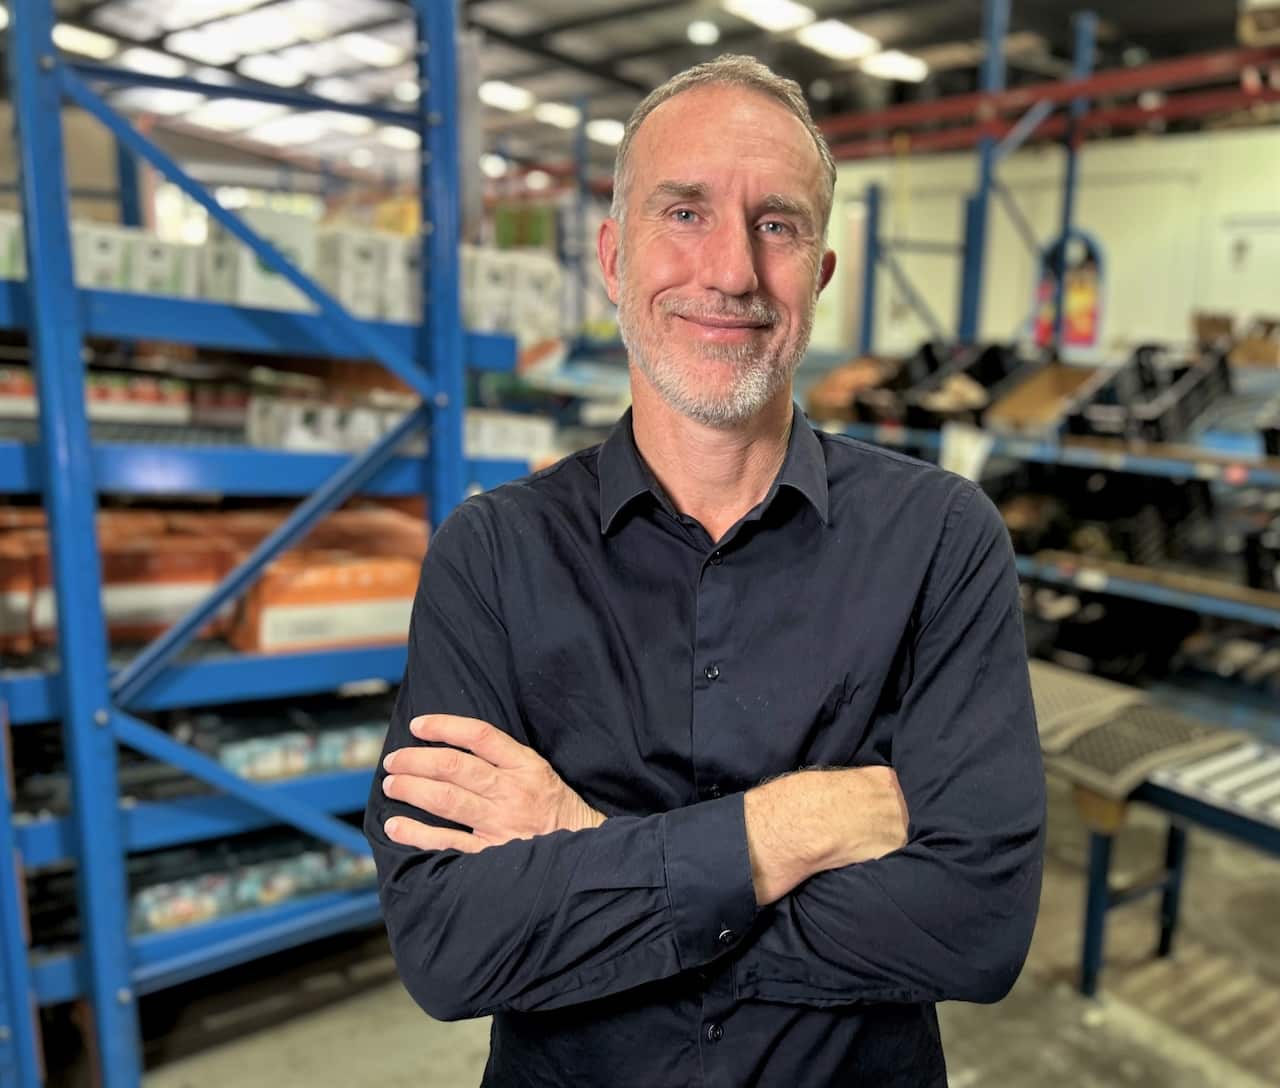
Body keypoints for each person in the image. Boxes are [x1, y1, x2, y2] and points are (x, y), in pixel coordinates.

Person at [365, 54, 1045, 1088]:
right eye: (684, 212)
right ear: (613, 256)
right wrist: (785, 828)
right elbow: (450, 940)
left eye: (776, 224)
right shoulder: (492, 555)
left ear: (818, 273)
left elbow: (972, 924)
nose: (731, 271)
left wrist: (585, 846)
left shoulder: (939, 539)